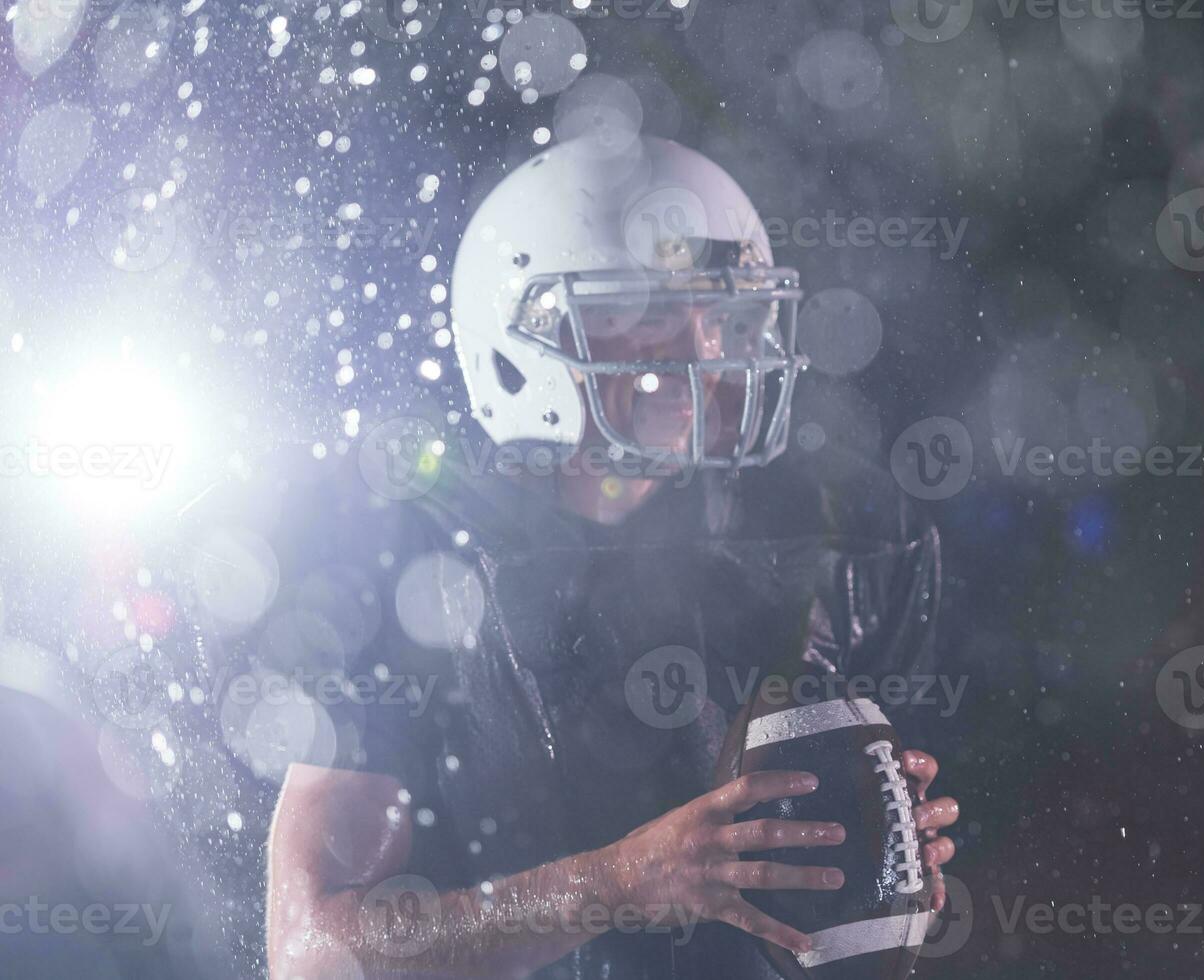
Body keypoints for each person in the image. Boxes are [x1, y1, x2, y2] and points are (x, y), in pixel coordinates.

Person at [181, 135, 958, 978]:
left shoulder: (828, 532)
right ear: (522, 342)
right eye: (649, 314)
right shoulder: (403, 552)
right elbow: (313, 956)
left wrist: (869, 867)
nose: (702, 353)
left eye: (724, 313)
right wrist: (618, 883)